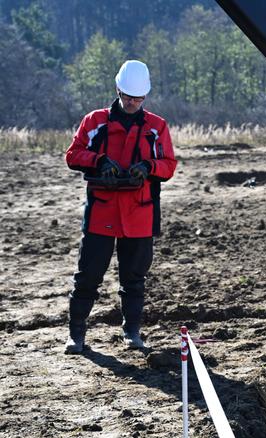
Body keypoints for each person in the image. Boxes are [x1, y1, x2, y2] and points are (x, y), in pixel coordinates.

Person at [64, 60, 177, 354]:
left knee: (134, 280)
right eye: (128, 96)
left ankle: (132, 334)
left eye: (138, 98)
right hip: (101, 213)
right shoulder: (95, 121)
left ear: (146, 95)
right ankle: (76, 336)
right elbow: (73, 155)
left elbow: (169, 165)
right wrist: (98, 161)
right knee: (87, 277)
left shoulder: (157, 126)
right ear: (117, 90)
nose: (132, 102)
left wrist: (148, 167)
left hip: (140, 214)